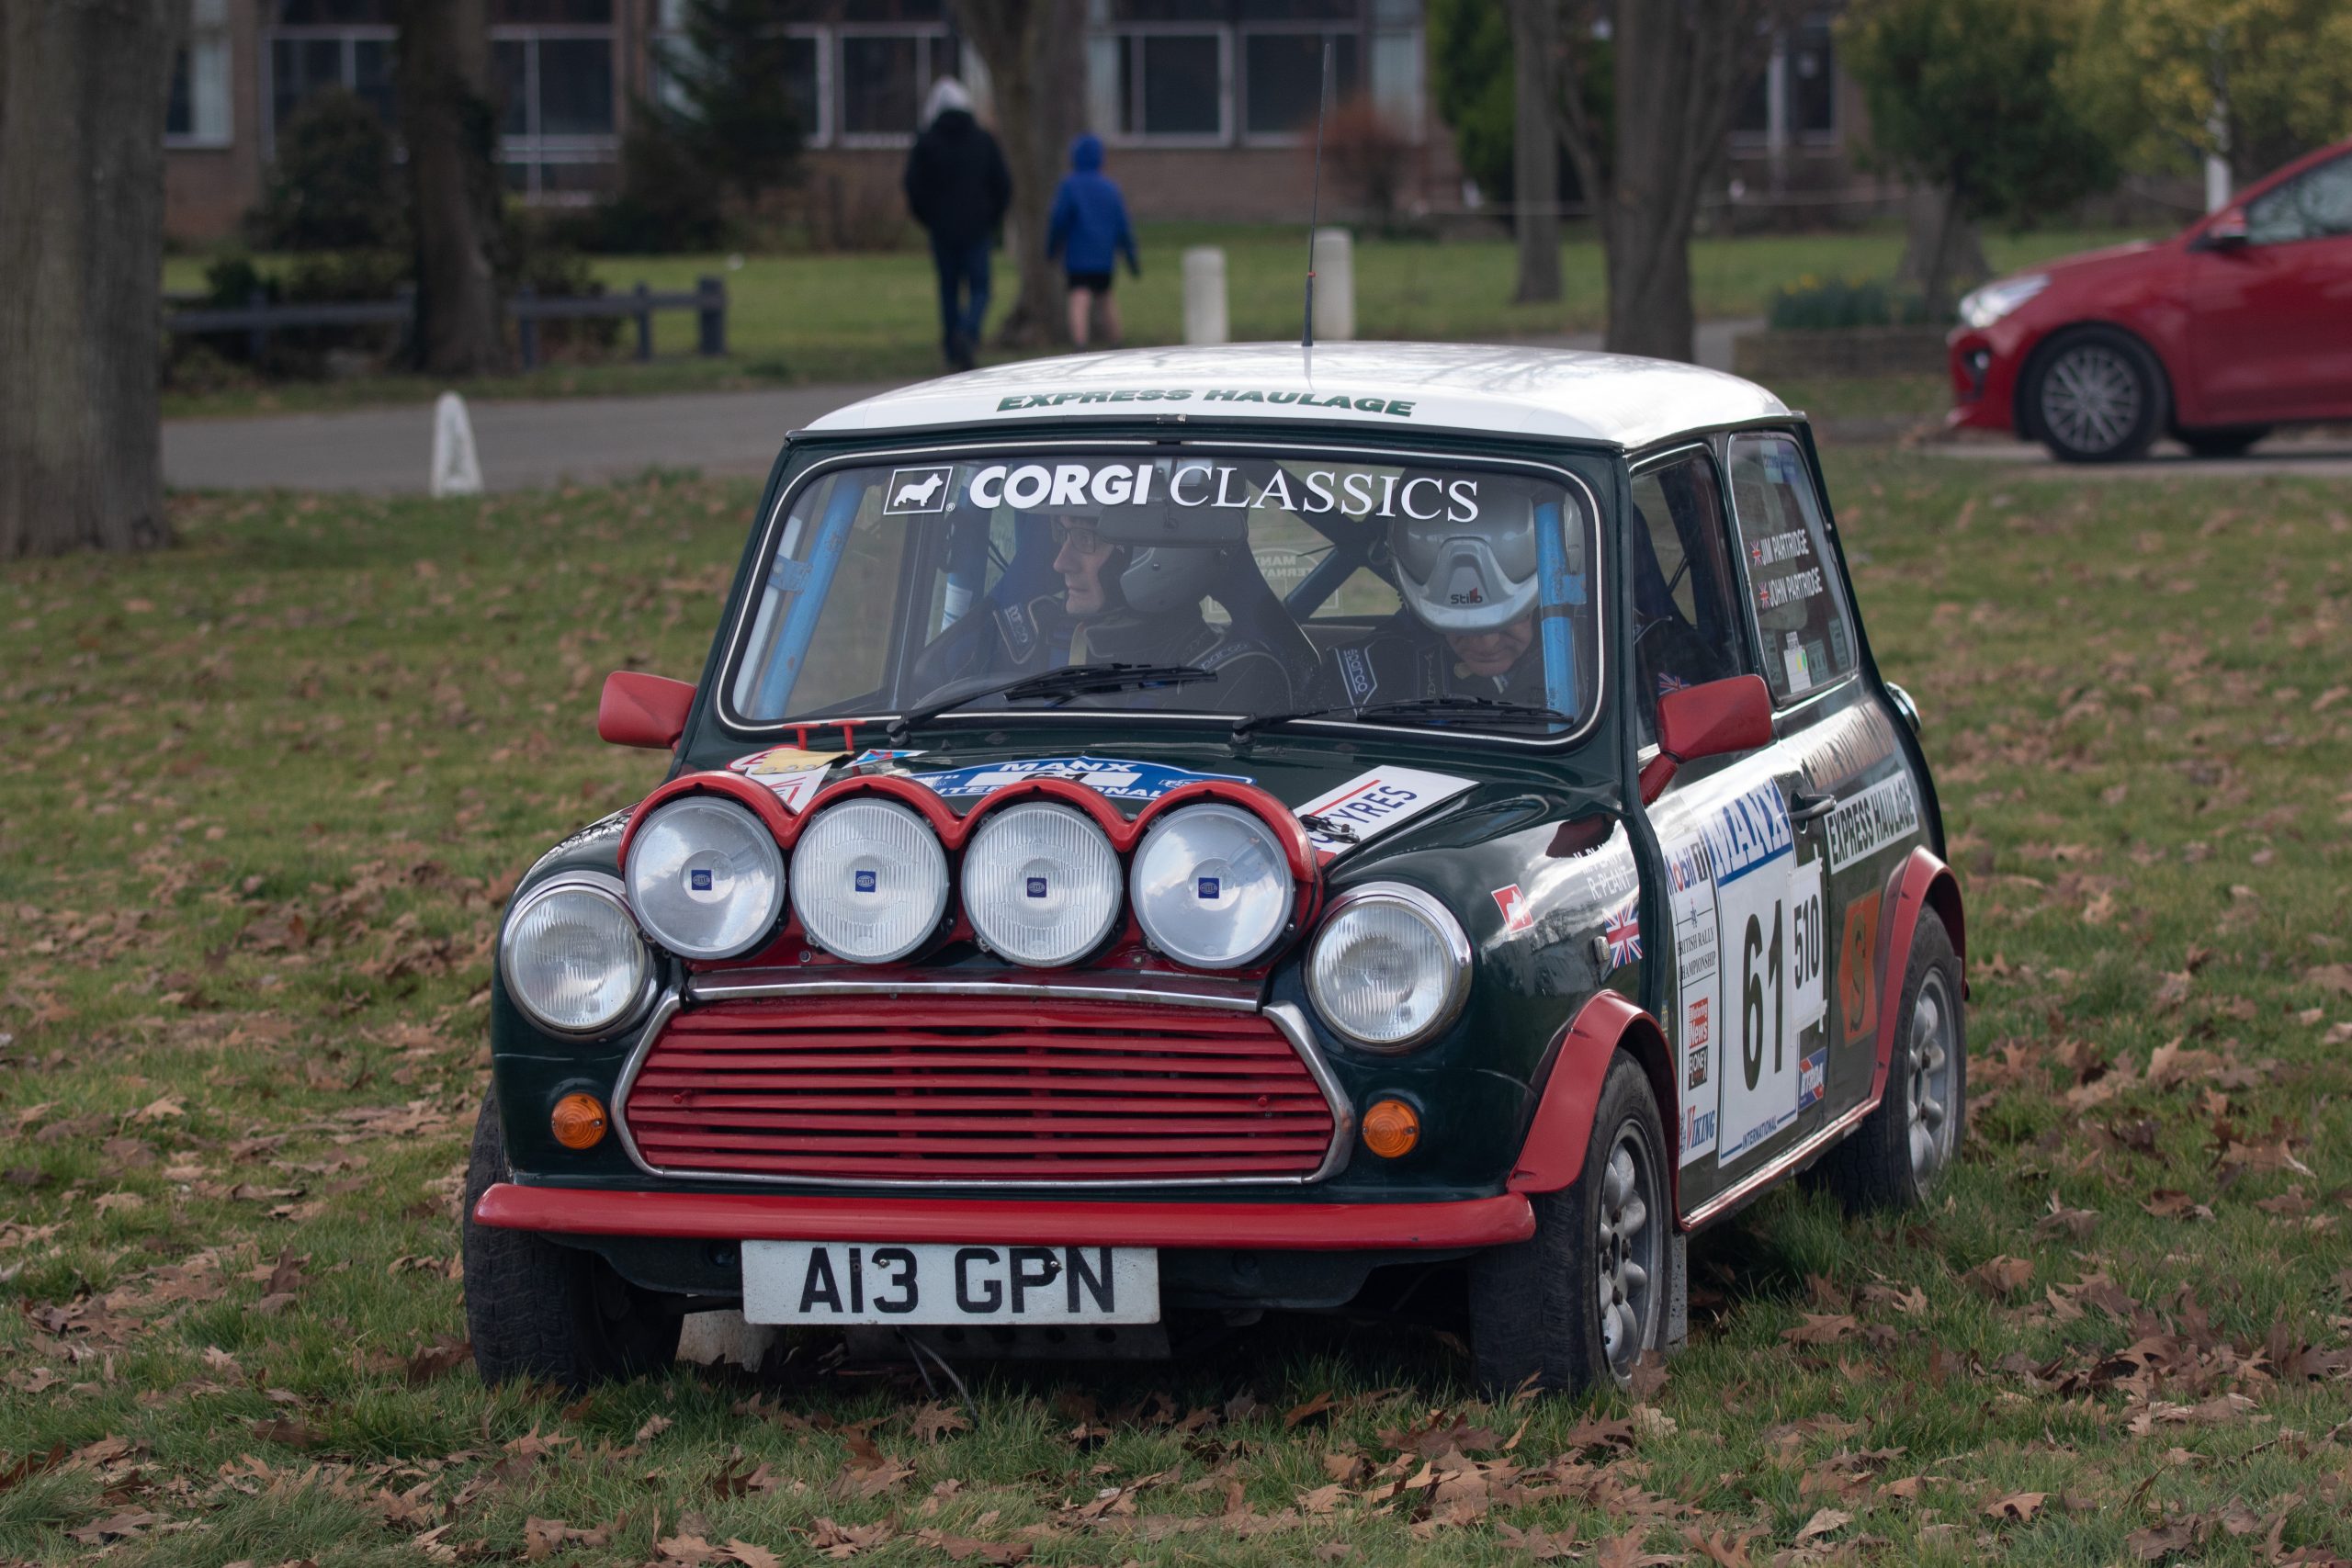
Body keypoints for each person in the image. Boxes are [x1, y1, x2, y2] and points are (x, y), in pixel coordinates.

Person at [1317, 507, 1555, 708]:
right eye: (1461, 622)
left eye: (1510, 618)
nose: (1487, 644)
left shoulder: (1587, 662)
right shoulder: (1363, 681)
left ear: (1543, 600)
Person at [902, 78, 1011, 372]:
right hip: (977, 229)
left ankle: (953, 346)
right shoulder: (983, 140)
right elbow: (1002, 185)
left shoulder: (926, 142)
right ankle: (969, 331)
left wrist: (929, 218)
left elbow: (913, 187)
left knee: (948, 289)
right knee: (981, 288)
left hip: (942, 230)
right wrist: (991, 218)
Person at [1046, 134, 1140, 350]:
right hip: (1104, 257)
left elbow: (1058, 220)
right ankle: (1116, 341)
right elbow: (1123, 226)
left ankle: (1080, 344)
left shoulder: (1069, 186)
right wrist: (1131, 258)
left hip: (1078, 257)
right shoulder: (1110, 188)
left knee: (1079, 297)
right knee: (1106, 297)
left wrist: (1052, 249)